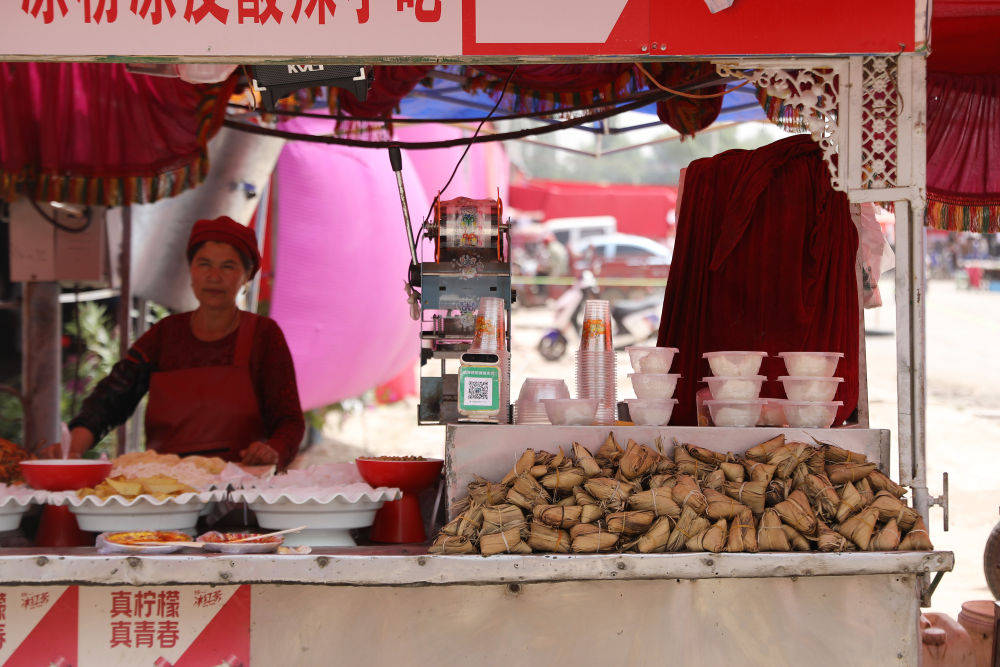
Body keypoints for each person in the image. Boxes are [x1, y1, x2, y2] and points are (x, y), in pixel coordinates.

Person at [59, 216, 305, 468]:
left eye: (228, 266)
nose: (213, 276)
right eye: (204, 264)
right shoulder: (164, 334)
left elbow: (289, 420)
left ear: (247, 276)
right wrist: (72, 450)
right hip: (165, 489)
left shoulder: (264, 335)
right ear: (191, 271)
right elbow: (111, 398)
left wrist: (272, 451)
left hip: (242, 486)